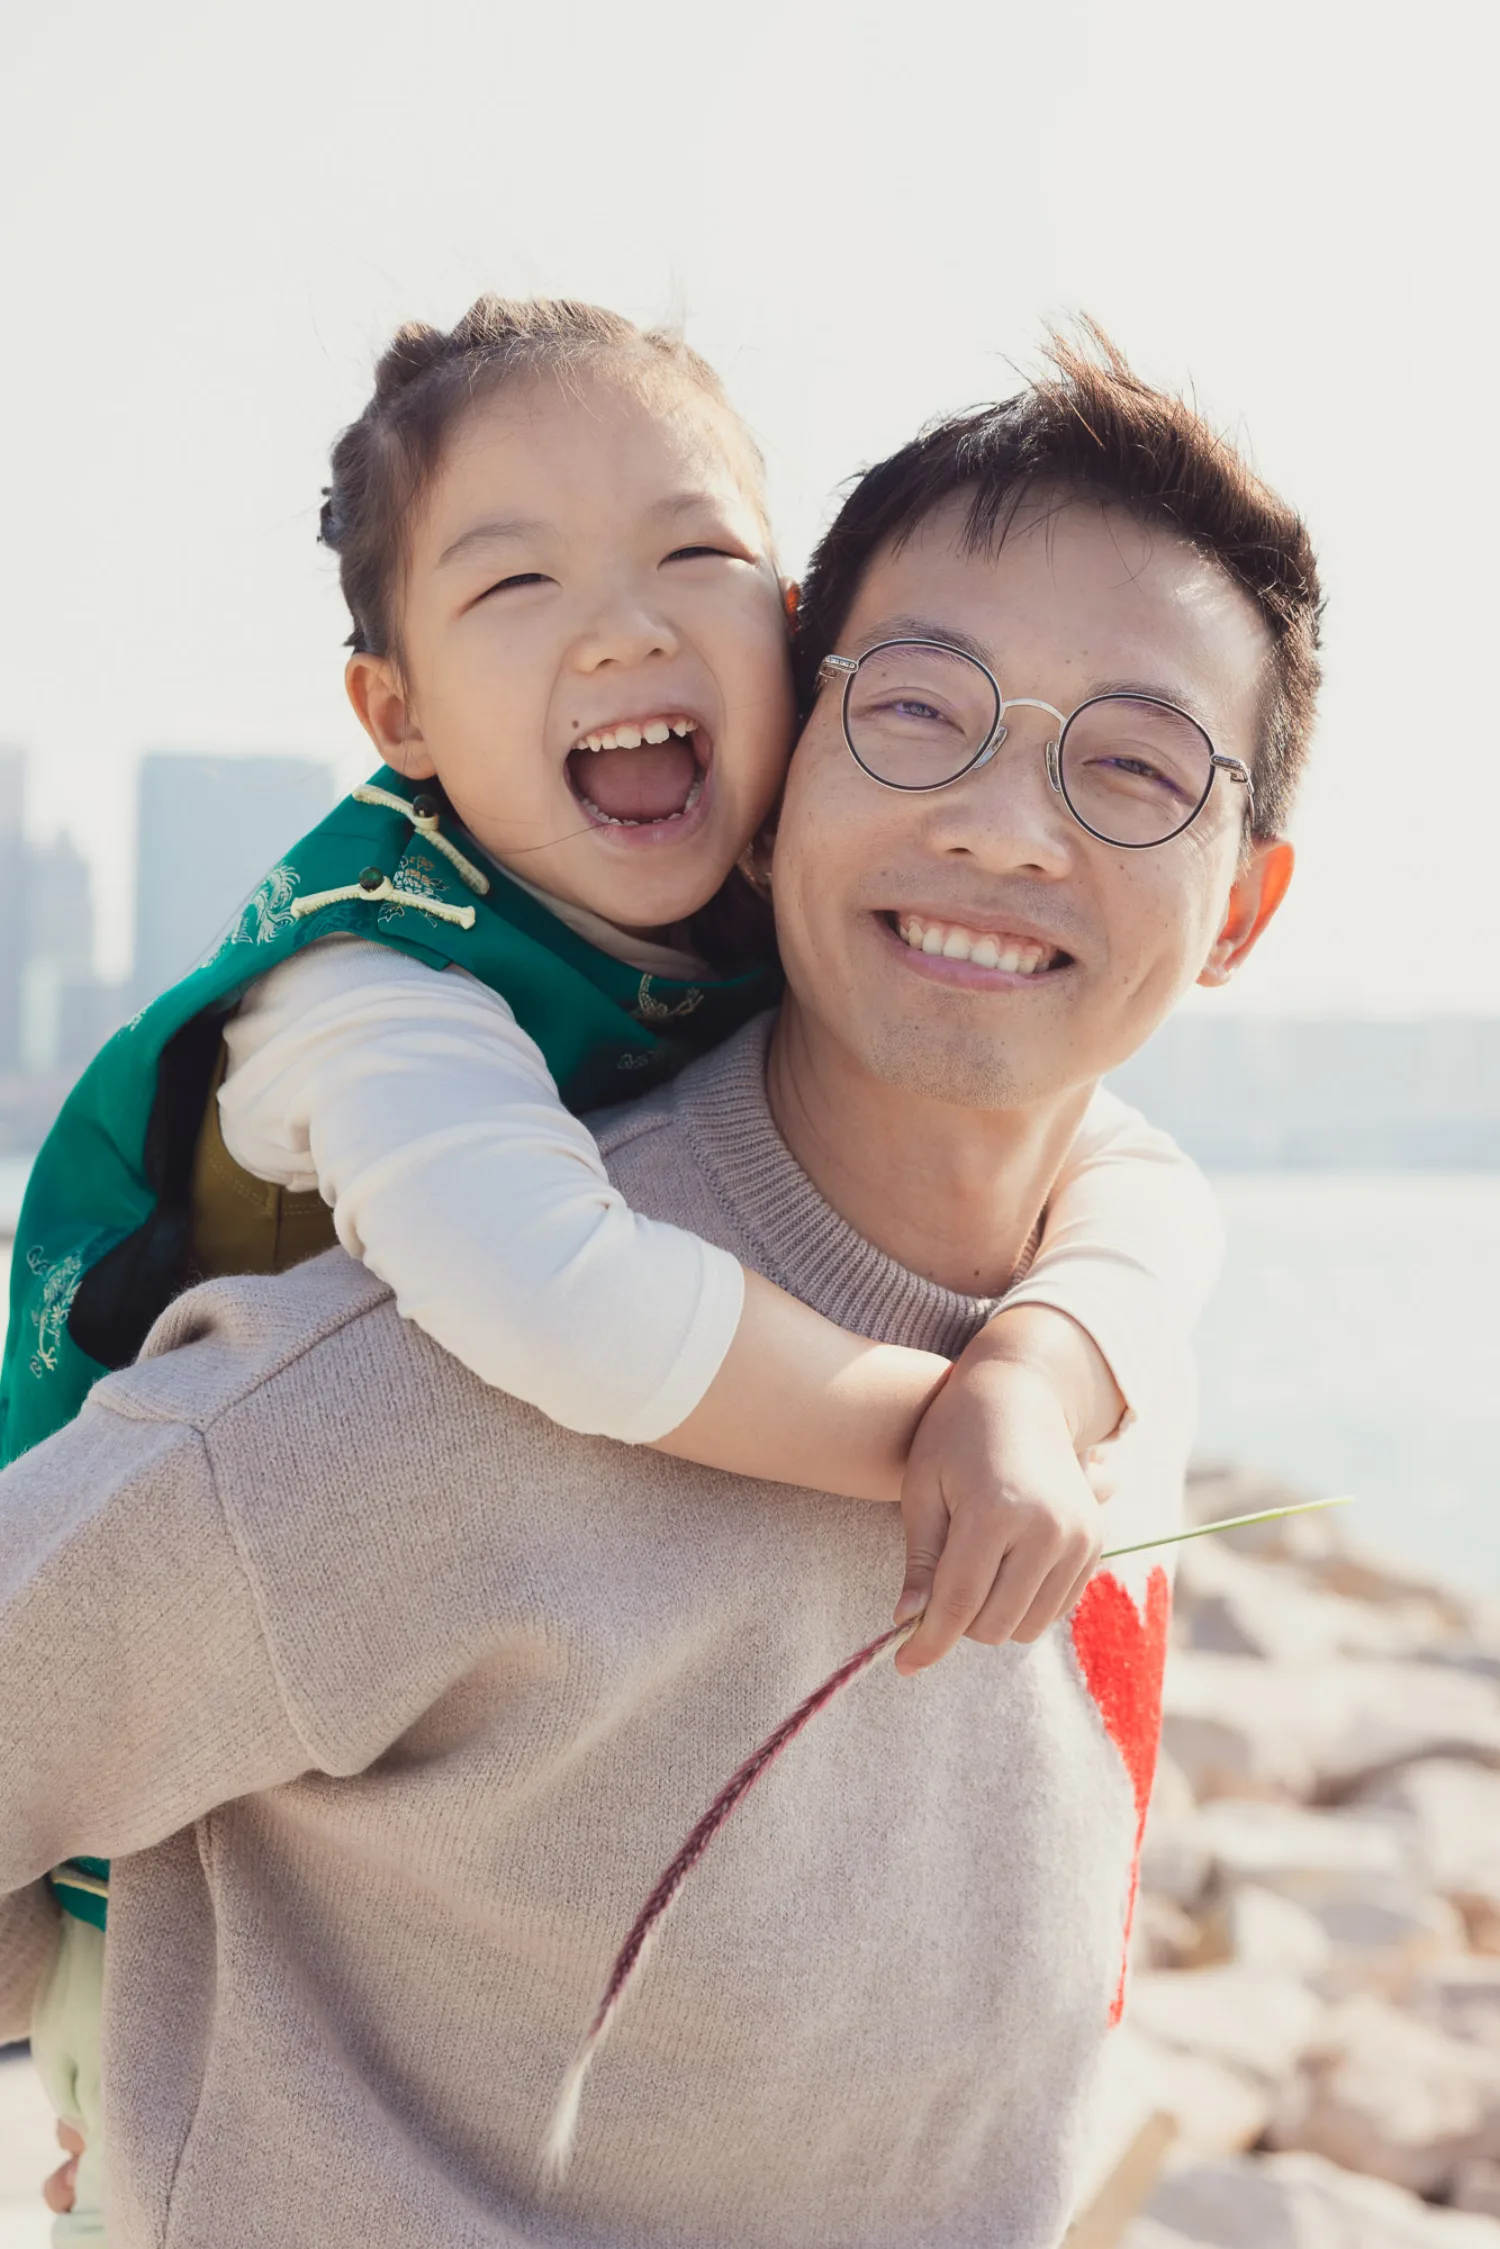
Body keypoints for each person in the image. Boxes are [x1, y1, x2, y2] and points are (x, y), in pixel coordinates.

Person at [0, 326, 1314, 2246]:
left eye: (1130, 767)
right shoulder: (418, 1373)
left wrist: (1028, 1376)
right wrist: (127, 2079)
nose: (1008, 825)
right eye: (925, 711)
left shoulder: (1102, 1325)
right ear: (797, 754)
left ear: (1243, 911)